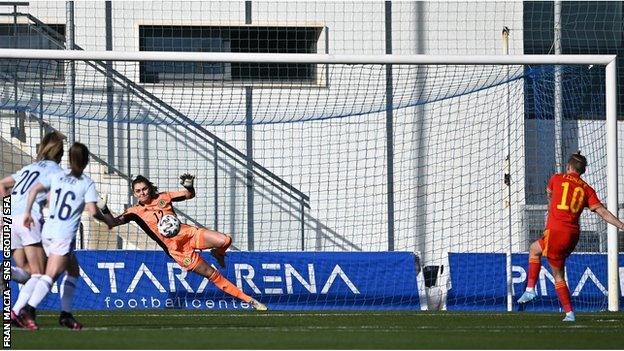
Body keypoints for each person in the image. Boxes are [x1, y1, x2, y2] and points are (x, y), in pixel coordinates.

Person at [101, 174, 267, 311]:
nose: (142, 193)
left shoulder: (164, 197)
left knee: (225, 240)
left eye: (144, 188)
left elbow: (189, 195)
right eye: (138, 191)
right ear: (134, 194)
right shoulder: (134, 212)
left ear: (149, 188)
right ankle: (250, 301)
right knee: (213, 275)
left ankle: (218, 253)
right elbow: (112, 223)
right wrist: (104, 209)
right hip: (179, 251)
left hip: (189, 234)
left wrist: (189, 186)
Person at [15, 142, 113, 331]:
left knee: (73, 270)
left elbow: (35, 190)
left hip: (47, 231)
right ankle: (28, 309)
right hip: (63, 235)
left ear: (69, 159)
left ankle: (66, 314)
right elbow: (93, 211)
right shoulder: (86, 182)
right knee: (49, 275)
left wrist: (27, 211)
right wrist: (107, 220)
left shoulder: (58, 176)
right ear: (85, 161)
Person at [517, 152, 624, 322]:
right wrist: (621, 225)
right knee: (535, 249)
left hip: (556, 231)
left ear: (568, 167)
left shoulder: (557, 178)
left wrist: (552, 211)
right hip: (573, 235)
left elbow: (550, 197)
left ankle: (568, 312)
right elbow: (602, 212)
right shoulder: (587, 189)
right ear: (582, 171)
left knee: (558, 274)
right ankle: (531, 289)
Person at [0, 131, 86, 329]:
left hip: (10, 220)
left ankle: (9, 277)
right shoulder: (57, 172)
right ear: (61, 153)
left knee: (27, 271)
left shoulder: (28, 168)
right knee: (39, 273)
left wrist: (6, 212)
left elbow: (2, 185)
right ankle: (19, 311)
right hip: (29, 220)